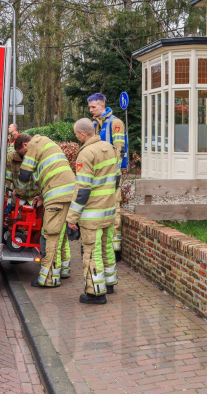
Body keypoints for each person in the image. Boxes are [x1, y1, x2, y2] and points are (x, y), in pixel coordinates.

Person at [67, 118, 119, 304]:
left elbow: (83, 189)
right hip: (109, 210)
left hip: (92, 214)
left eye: (76, 134)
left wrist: (72, 217)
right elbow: (117, 178)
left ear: (82, 134)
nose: (76, 137)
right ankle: (110, 282)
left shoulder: (86, 153)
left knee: (91, 251)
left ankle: (95, 292)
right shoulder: (110, 147)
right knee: (107, 247)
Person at [14, 133, 76, 287]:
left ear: (24, 146)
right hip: (68, 193)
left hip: (57, 195)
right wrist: (42, 196)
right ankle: (62, 271)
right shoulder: (47, 143)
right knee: (60, 234)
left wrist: (19, 192)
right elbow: (51, 173)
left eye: (22, 154)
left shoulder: (33, 145)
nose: (23, 157)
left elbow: (24, 174)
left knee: (49, 235)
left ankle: (48, 279)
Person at [88, 93, 127, 257]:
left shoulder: (115, 123)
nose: (90, 110)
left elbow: (120, 150)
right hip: (98, 174)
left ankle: (115, 248)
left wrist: (115, 173)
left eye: (93, 107)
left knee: (114, 207)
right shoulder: (94, 124)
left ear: (102, 106)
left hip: (111, 174)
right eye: (89, 107)